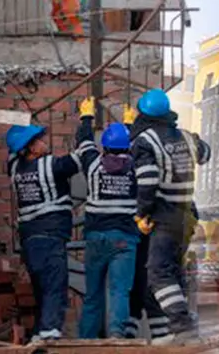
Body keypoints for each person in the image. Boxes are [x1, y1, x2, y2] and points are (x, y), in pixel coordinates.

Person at [131, 88, 211, 344]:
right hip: (186, 216)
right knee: (173, 274)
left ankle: (184, 328)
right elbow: (205, 153)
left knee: (158, 274)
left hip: (163, 216)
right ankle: (167, 332)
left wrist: (142, 213)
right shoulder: (186, 137)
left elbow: (148, 180)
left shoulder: (145, 141)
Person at [5, 119, 83, 342]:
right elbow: (79, 160)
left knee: (42, 290)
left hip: (30, 242)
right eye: (37, 140)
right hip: (51, 237)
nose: (43, 142)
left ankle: (40, 333)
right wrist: (85, 126)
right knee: (55, 288)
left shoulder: (14, 169)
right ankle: (49, 334)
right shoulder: (50, 166)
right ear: (30, 148)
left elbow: (11, 154)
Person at [75, 98, 140, 339]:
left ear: (104, 146)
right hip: (124, 238)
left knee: (92, 293)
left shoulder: (93, 164)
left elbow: (83, 142)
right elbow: (133, 147)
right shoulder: (134, 167)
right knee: (119, 291)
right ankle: (116, 335)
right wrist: (129, 124)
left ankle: (86, 339)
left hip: (95, 237)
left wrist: (86, 118)